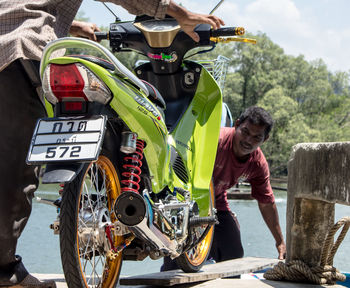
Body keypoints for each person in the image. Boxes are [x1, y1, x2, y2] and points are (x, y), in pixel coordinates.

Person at [0, 1, 224, 287]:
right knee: (14, 168)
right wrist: (183, 15)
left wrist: (71, 25)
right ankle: (5, 272)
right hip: (23, 48)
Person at [161, 106, 286, 271]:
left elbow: (266, 203)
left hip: (216, 203)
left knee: (233, 251)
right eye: (245, 132)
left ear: (266, 139)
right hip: (186, 201)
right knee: (179, 255)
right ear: (237, 125)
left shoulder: (257, 163)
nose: (248, 141)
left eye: (257, 137)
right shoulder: (214, 141)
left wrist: (280, 241)